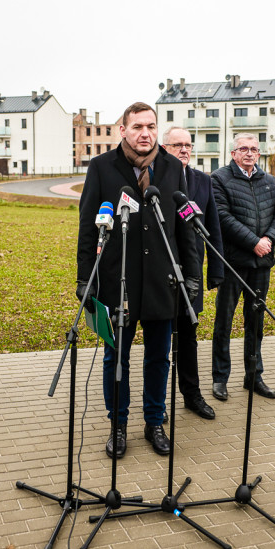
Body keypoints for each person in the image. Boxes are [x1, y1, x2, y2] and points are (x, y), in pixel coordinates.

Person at [76, 102, 200, 458]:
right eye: (137, 127)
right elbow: (88, 227)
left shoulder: (173, 167)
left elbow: (185, 226)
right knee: (116, 358)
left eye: (150, 126)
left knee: (160, 358)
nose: (145, 133)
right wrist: (85, 278)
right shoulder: (102, 167)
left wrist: (191, 274)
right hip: (119, 282)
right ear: (123, 131)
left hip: (163, 282)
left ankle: (154, 422)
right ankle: (118, 425)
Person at [210, 133, 275, 402]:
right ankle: (220, 378)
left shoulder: (269, 181)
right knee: (224, 321)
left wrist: (268, 239)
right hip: (233, 264)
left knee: (255, 322)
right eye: (243, 148)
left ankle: (254, 376)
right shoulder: (219, 179)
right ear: (233, 153)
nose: (249, 153)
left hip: (261, 263)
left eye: (254, 149)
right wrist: (253, 242)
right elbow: (222, 216)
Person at [161, 127, 224, 420]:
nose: (185, 149)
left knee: (188, 336)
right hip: (159, 273)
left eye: (188, 145)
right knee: (159, 341)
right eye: (178, 145)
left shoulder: (202, 180)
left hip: (192, 275)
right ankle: (156, 403)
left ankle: (192, 394)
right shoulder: (154, 177)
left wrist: (216, 272)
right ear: (165, 148)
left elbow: (212, 227)